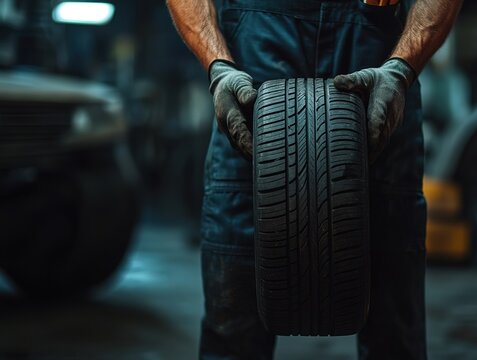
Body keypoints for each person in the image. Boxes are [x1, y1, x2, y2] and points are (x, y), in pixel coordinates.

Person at [166, 0, 461, 358]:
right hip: (252, 72)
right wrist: (218, 66)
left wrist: (401, 68)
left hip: (377, 63)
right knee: (233, 324)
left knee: (394, 331)